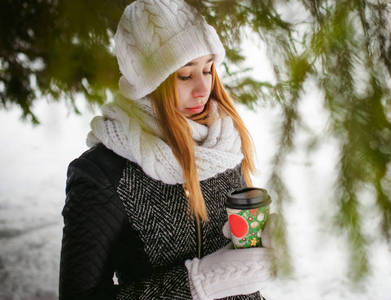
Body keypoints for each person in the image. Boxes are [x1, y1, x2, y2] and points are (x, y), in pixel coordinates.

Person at [59, 0, 272, 299]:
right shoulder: (103, 173)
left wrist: (264, 240)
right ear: (148, 83)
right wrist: (200, 282)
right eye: (185, 75)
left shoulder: (222, 142)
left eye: (208, 69)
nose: (203, 88)